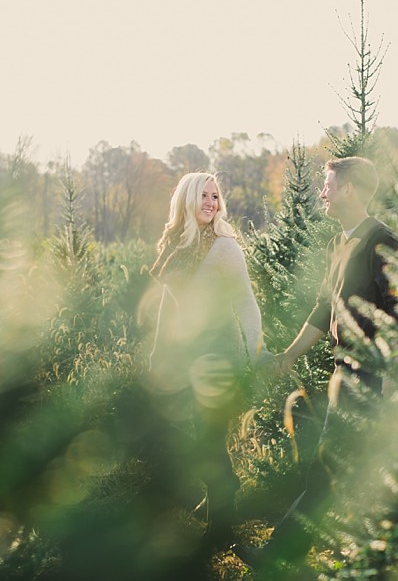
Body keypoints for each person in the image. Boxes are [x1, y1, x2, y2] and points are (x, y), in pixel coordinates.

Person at [236, 156, 398, 568]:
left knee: (334, 473)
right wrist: (288, 356)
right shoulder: (337, 243)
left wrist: (392, 376)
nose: (322, 194)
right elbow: (324, 309)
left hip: (370, 377)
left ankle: (281, 559)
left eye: (328, 185)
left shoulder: (383, 241)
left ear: (349, 188)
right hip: (344, 374)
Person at [146, 171, 264, 550]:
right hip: (188, 353)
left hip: (219, 353)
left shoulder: (224, 247)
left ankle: (220, 527)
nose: (211, 203)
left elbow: (246, 302)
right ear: (186, 200)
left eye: (216, 196)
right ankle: (222, 489)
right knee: (186, 434)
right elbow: (170, 301)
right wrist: (157, 350)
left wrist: (254, 352)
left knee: (209, 438)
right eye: (204, 196)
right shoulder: (176, 247)